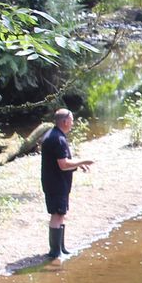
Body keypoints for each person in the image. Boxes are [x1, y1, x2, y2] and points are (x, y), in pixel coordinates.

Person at [40, 108, 93, 259]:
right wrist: (83, 161)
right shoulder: (58, 139)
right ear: (64, 121)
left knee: (60, 214)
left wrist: (77, 164)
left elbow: (62, 162)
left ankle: (61, 248)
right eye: (71, 120)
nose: (73, 123)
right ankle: (55, 252)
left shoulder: (55, 135)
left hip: (55, 182)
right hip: (56, 183)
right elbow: (63, 165)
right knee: (57, 214)